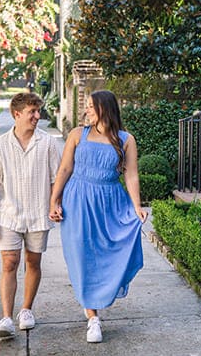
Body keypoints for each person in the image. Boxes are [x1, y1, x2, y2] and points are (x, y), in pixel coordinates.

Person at [49, 89, 146, 343]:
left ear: (105, 108)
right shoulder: (77, 135)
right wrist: (54, 200)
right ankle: (92, 317)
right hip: (78, 201)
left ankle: (96, 303)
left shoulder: (126, 140)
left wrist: (137, 206)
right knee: (81, 256)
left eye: (91, 106)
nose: (87, 110)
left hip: (110, 202)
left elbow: (131, 174)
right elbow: (65, 169)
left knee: (105, 255)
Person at [0, 91, 62, 339]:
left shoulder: (48, 143)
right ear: (17, 114)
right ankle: (6, 318)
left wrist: (55, 204)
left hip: (39, 215)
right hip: (9, 215)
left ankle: (26, 310)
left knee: (33, 262)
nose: (37, 116)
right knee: (9, 262)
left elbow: (57, 180)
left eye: (38, 111)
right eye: (32, 112)